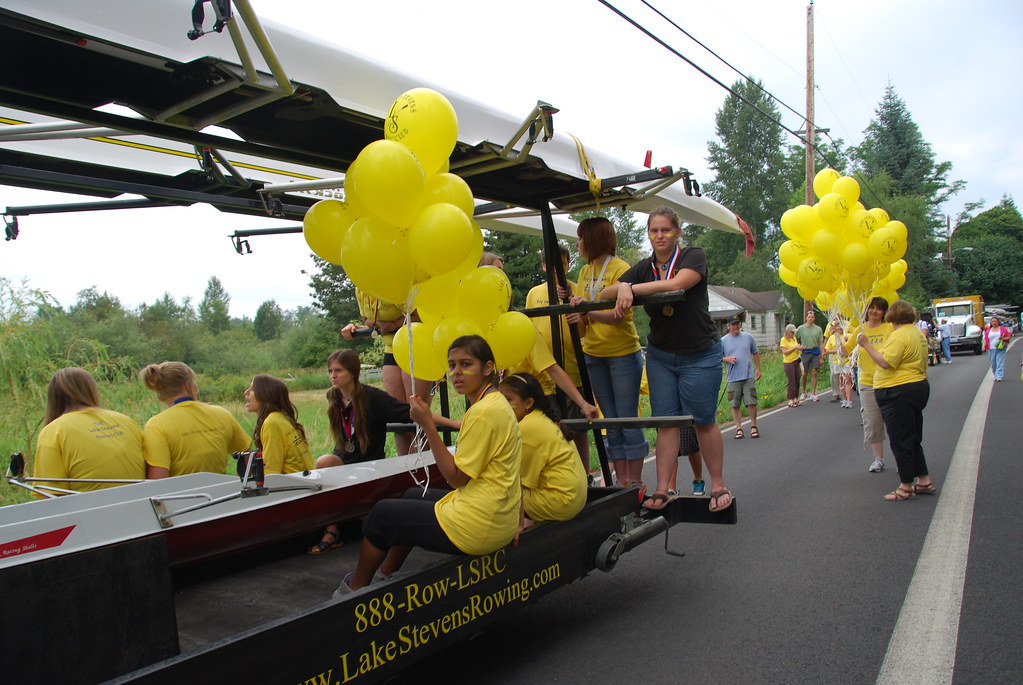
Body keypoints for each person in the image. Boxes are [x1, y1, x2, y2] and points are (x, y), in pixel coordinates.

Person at [334, 335, 521, 593]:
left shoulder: (483, 412)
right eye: (452, 365)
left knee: (382, 515)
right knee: (413, 494)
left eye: (466, 364)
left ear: (487, 368)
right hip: (497, 514)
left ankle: (354, 591)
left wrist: (427, 425)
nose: (456, 372)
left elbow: (455, 478)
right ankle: (385, 573)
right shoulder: (494, 401)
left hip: (479, 525)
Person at [604, 206, 731, 513]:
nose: (659, 236)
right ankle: (663, 489)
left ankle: (717, 484)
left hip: (699, 353)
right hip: (661, 356)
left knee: (703, 421)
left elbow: (678, 283)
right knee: (666, 423)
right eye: (653, 231)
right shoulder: (644, 267)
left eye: (665, 230)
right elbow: (609, 292)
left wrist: (630, 288)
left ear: (678, 232)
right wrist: (622, 286)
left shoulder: (693, 256)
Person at [309, 348, 423, 555]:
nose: (333, 375)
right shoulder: (333, 396)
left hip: (369, 465)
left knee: (371, 526)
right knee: (324, 462)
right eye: (330, 371)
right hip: (344, 460)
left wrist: (453, 423)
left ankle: (364, 523)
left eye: (338, 371)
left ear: (353, 372)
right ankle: (332, 531)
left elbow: (411, 414)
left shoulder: (373, 397)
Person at [568, 217, 648, 489]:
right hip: (593, 353)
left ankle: (636, 482)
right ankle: (622, 482)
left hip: (622, 353)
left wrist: (585, 309)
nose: (578, 244)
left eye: (581, 238)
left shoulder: (621, 268)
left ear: (593, 240)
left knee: (626, 418)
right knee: (610, 421)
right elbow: (586, 318)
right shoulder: (583, 271)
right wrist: (579, 312)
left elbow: (616, 317)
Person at [857, 300, 936, 501]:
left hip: (898, 390)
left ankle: (905, 485)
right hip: (916, 385)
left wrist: (866, 344)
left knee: (900, 440)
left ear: (893, 316)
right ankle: (924, 479)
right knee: (912, 437)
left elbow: (886, 362)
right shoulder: (917, 334)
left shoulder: (899, 336)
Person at [525, 244, 593, 473]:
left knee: (579, 428)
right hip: (543, 374)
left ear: (568, 265)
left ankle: (584, 474)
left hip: (572, 369)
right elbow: (529, 328)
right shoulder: (534, 293)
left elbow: (584, 331)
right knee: (553, 427)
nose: (558, 270)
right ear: (544, 266)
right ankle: (562, 473)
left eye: (563, 264)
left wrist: (578, 316)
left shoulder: (576, 290)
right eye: (553, 266)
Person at [340, 288, 432, 455]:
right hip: (392, 348)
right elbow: (370, 320)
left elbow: (422, 314)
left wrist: (394, 325)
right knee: (398, 417)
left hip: (415, 345)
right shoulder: (361, 288)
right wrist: (356, 327)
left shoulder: (393, 279)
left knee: (417, 415)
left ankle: (425, 471)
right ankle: (403, 470)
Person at [33, 367, 145, 493]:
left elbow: (50, 493)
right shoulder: (126, 421)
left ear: (53, 396)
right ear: (91, 389)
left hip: (90, 509)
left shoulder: (53, 431)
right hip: (142, 503)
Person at [499, 373, 587, 529]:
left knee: (495, 495)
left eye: (508, 400)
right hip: (575, 498)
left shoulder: (526, 428)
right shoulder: (541, 417)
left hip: (561, 502)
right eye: (499, 400)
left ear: (528, 403)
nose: (501, 405)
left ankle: (524, 522)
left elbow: (519, 484)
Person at [139, 362, 250, 479]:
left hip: (181, 496)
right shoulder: (221, 414)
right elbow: (248, 457)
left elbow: (157, 481)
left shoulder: (157, 425)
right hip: (221, 495)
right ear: (187, 385)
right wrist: (237, 485)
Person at [845, 297, 894, 473]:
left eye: (879, 309)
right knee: (872, 421)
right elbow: (845, 351)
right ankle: (878, 459)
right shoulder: (860, 330)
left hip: (889, 380)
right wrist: (838, 335)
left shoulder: (889, 329)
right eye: (871, 308)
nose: (874, 311)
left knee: (894, 421)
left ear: (884, 312)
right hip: (867, 382)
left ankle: (901, 457)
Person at [243, 374, 313, 475]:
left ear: (265, 394)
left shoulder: (272, 423)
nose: (246, 392)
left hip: (294, 487)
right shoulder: (282, 418)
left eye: (253, 389)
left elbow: (271, 473)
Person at [721, 313, 761, 439]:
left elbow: (755, 352)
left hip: (748, 375)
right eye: (733, 325)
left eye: (737, 324)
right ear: (728, 326)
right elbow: (717, 357)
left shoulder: (748, 337)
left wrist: (758, 369)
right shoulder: (723, 341)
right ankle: (739, 428)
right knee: (735, 403)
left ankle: (753, 426)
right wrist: (727, 359)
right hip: (733, 377)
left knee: (751, 401)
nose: (735, 326)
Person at [824, 321, 854, 408]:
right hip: (836, 362)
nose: (839, 327)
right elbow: (827, 350)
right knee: (841, 381)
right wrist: (837, 351)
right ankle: (844, 399)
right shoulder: (832, 338)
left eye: (841, 325)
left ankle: (849, 400)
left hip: (847, 361)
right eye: (837, 326)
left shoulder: (848, 336)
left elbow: (852, 348)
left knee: (847, 380)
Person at [796, 310, 824, 401]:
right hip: (805, 352)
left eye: (812, 317)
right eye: (809, 317)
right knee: (804, 373)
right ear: (806, 318)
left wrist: (822, 355)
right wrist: (798, 347)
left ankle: (813, 392)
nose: (810, 319)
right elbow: (794, 337)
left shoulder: (818, 329)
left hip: (815, 351)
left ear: (814, 318)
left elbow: (821, 342)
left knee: (814, 372)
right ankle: (804, 391)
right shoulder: (801, 328)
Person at [983, 315, 1012, 381]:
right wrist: (983, 346)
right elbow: (985, 339)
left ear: (998, 322)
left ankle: (999, 376)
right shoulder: (988, 330)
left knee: (1000, 362)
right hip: (991, 348)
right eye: (992, 321)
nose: (994, 323)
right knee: (993, 363)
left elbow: (1009, 336)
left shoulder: (1003, 329)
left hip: (1001, 348)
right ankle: (996, 374)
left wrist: (1004, 338)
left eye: (995, 321)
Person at [780, 324, 802, 408]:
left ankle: (796, 397)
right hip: (788, 362)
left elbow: (796, 349)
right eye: (792, 332)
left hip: (796, 360)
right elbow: (785, 352)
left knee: (797, 379)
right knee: (791, 380)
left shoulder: (794, 339)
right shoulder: (784, 340)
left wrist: (800, 348)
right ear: (788, 332)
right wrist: (795, 348)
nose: (793, 334)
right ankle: (790, 399)